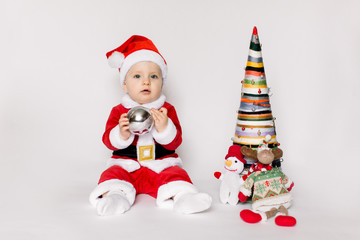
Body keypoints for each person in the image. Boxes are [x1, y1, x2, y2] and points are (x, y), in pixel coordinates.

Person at [89, 35, 212, 216]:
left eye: (153, 76)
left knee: (176, 174)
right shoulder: (119, 111)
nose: (146, 81)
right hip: (128, 166)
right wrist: (121, 134)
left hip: (159, 165)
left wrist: (164, 128)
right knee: (112, 174)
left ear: (162, 83)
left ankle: (183, 198)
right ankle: (115, 197)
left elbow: (175, 142)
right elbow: (108, 141)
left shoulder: (166, 110)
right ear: (125, 84)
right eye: (137, 76)